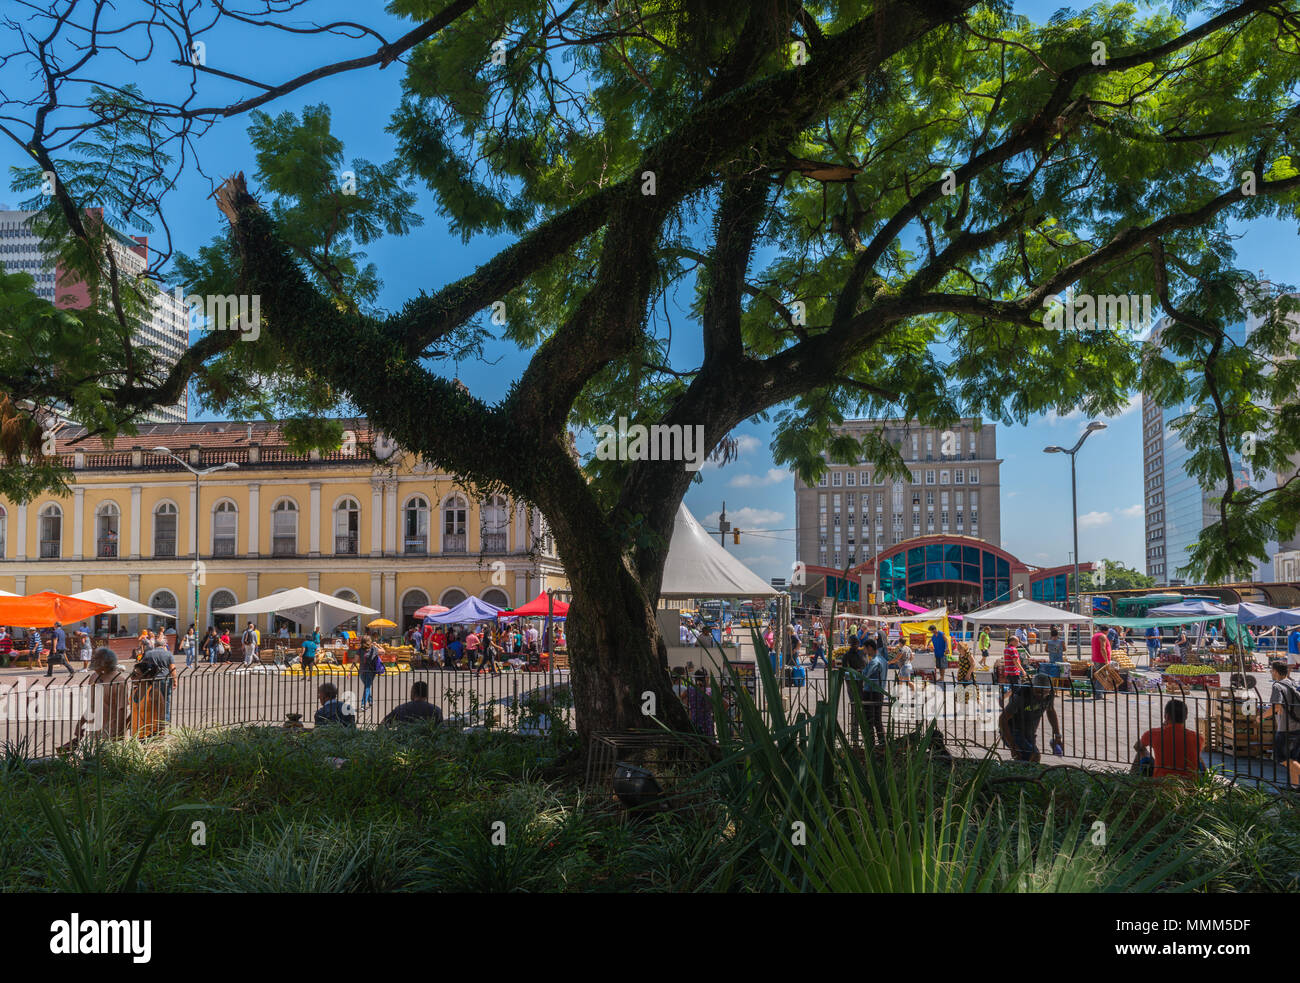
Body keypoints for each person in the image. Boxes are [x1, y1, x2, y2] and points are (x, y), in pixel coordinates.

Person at [64, 648, 130, 750]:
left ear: (106, 665)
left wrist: (119, 734)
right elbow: (91, 704)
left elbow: (122, 709)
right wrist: (81, 723)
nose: (95, 669)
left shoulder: (119, 682)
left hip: (111, 730)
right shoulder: (94, 677)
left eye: (97, 666)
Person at [1132, 699, 1205, 780]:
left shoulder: (1154, 733)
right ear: (1186, 717)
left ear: (1166, 716)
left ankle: (1131, 781)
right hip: (1189, 782)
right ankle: (1205, 782)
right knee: (1199, 757)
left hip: (1162, 781)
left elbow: (1137, 746)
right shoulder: (1198, 737)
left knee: (1140, 752)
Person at [998, 673, 1062, 762]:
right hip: (1013, 731)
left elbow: (1050, 711)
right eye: (1038, 692)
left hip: (1029, 732)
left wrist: (1057, 735)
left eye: (1045, 693)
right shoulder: (1021, 695)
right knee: (1034, 756)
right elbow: (1002, 719)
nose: (1041, 696)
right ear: (1032, 687)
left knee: (1028, 760)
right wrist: (1012, 745)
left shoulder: (1049, 694)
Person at [1262, 660, 1300, 789]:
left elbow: (1276, 706)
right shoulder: (1293, 683)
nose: (1271, 673)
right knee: (1293, 759)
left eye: (1271, 670)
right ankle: (1295, 787)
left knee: (1283, 759)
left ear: (1275, 672)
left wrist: (1261, 717)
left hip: (1285, 728)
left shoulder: (1277, 686)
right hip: (1298, 727)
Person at [141, 634, 178, 723]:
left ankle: (154, 718)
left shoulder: (148, 654)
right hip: (165, 679)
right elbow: (172, 668)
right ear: (164, 645)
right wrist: (175, 680)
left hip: (152, 679)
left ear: (155, 644)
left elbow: (143, 666)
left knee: (153, 699)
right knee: (166, 700)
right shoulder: (168, 654)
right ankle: (165, 719)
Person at [861, 639, 889, 747]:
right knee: (878, 720)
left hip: (871, 692)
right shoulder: (883, 660)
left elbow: (865, 675)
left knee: (869, 720)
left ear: (870, 648)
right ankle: (883, 743)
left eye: (865, 648)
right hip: (880, 692)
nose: (864, 650)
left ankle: (871, 745)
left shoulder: (874, 661)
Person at [686, 668, 714, 736]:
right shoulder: (709, 691)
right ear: (706, 678)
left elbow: (682, 700)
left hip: (694, 718)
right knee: (708, 740)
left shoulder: (690, 689)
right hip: (706, 719)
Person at [358, 634, 383, 711]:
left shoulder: (360, 650)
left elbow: (355, 660)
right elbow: (383, 651)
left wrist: (350, 670)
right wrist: (378, 645)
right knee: (367, 687)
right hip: (370, 671)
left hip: (361, 671)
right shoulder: (373, 649)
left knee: (367, 686)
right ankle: (365, 703)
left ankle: (367, 702)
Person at [1090, 625, 1113, 697]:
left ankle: (1096, 692)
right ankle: (1098, 694)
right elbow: (1103, 648)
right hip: (1101, 659)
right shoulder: (1102, 636)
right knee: (1102, 677)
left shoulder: (1095, 635)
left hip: (1096, 658)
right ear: (1106, 630)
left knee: (1099, 676)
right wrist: (1106, 660)